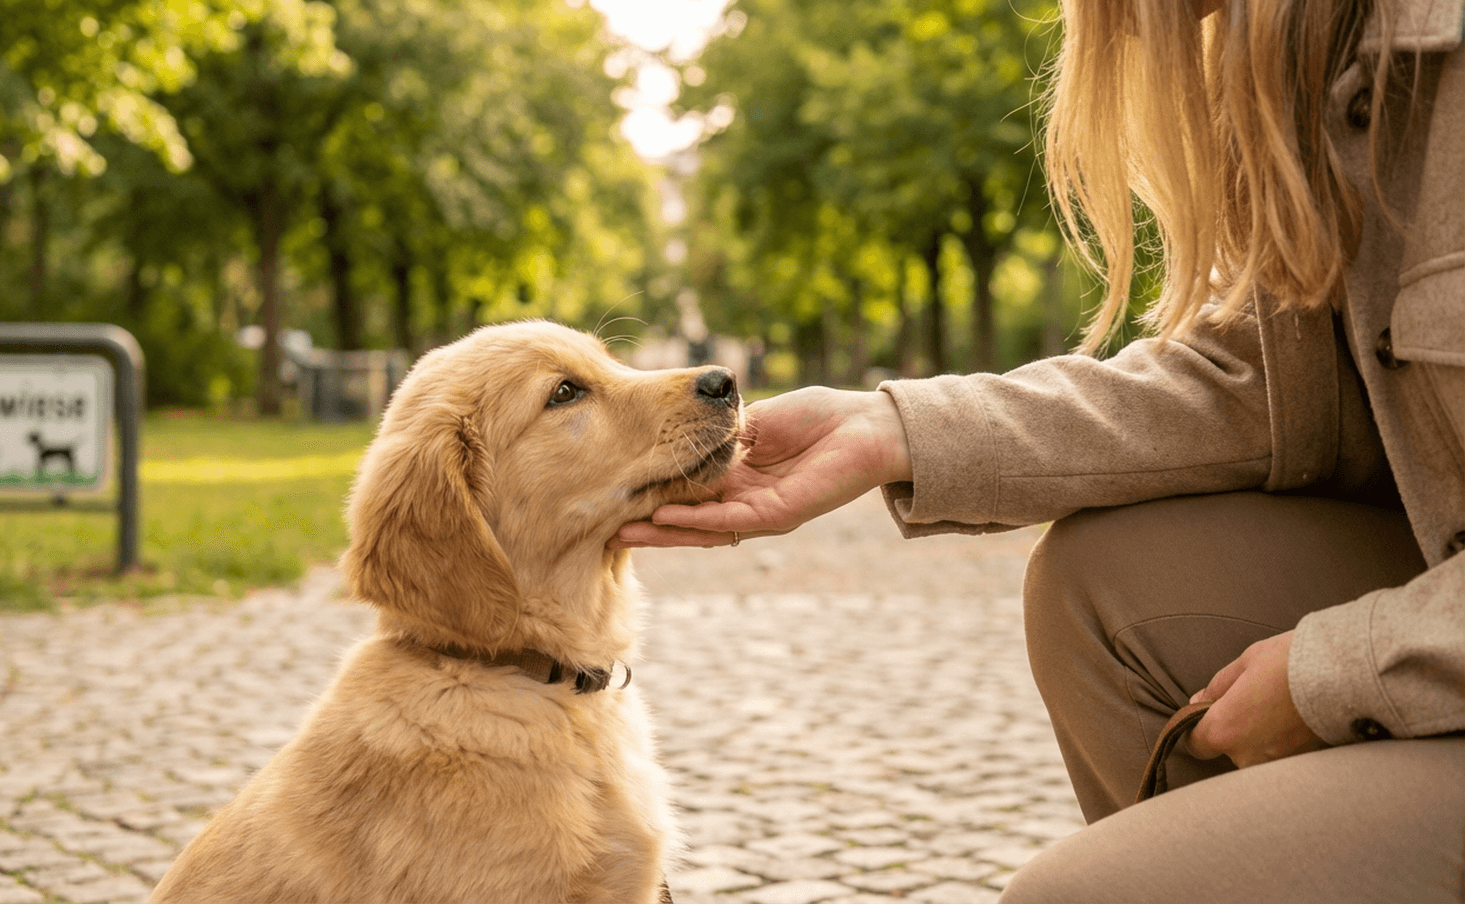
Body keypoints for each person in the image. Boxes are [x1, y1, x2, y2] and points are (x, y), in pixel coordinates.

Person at [616, 0, 1465, 899]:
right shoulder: (1317, 65)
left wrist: (1337, 672)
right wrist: (892, 431)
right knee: (1104, 580)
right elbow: (1267, 385)